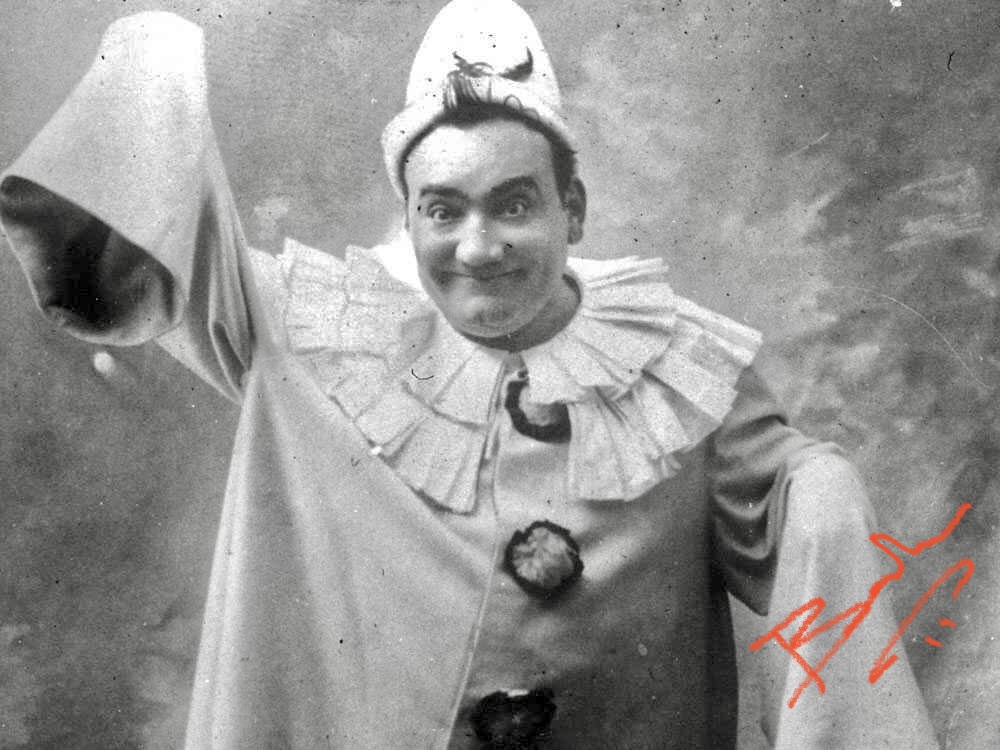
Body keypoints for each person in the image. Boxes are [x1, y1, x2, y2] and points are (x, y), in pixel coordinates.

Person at [0, 1, 939, 747]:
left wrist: (820, 489)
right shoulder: (309, 327)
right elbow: (139, 239)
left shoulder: (680, 367)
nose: (478, 248)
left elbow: (790, 517)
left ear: (573, 208)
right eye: (443, 211)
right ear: (408, 216)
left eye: (514, 205)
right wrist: (155, 51)